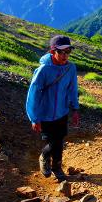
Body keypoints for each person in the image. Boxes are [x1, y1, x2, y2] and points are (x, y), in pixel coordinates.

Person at [26, 35, 80, 182]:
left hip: (62, 112)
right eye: (61, 52)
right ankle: (44, 156)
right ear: (52, 52)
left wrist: (75, 109)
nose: (65, 56)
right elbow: (33, 94)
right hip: (45, 113)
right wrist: (34, 118)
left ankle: (57, 167)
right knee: (53, 142)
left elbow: (72, 89)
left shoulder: (70, 68)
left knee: (59, 140)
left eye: (68, 51)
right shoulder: (43, 70)